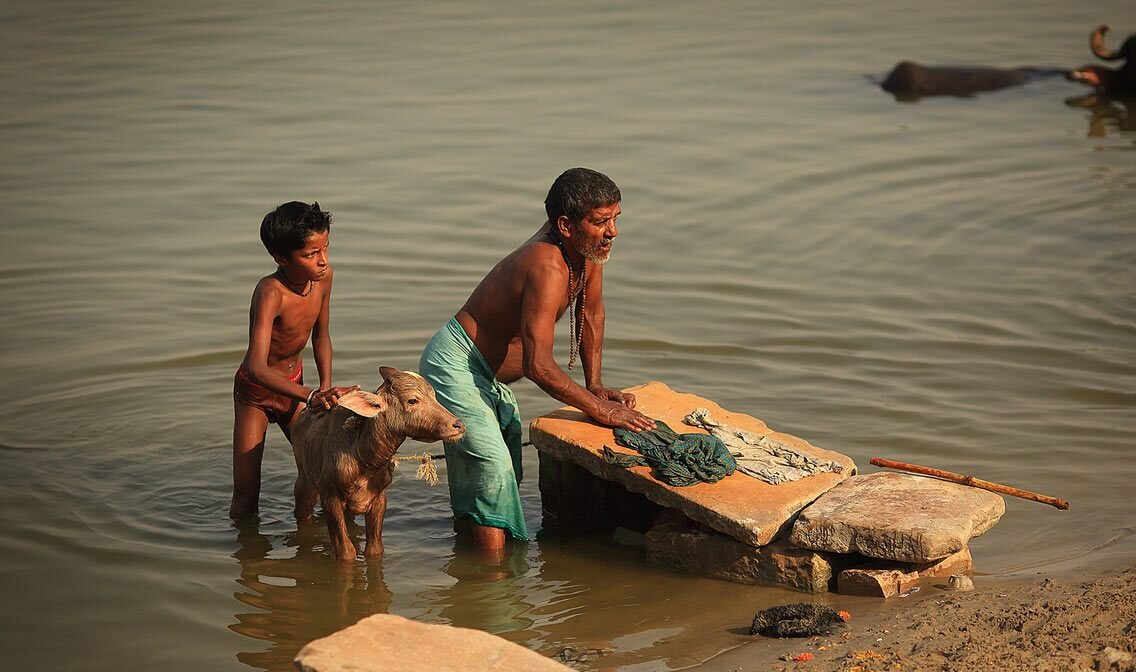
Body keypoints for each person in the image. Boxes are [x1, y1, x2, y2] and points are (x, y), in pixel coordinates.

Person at [419, 167, 656, 551]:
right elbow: (538, 367)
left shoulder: (590, 249)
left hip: (486, 375)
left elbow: (591, 313)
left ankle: (474, 561)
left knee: (502, 470)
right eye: (600, 222)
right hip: (455, 365)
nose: (612, 232)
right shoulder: (547, 266)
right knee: (493, 469)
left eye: (615, 219)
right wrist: (600, 409)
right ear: (566, 225)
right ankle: (494, 585)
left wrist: (595, 384)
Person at [230, 201, 359, 519]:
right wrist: (311, 396)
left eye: (325, 247)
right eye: (310, 254)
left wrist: (326, 389)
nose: (323, 260)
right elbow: (256, 366)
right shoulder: (270, 292)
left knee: (320, 474)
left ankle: (307, 545)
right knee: (247, 495)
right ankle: (247, 565)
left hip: (296, 389)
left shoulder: (324, 279)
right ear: (280, 258)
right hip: (255, 395)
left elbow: (321, 336)